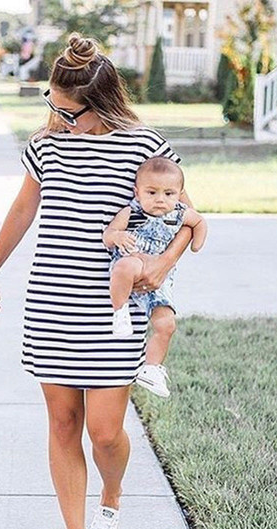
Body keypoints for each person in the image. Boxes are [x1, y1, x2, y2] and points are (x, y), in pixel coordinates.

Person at [0, 33, 197, 529]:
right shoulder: (45, 146)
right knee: (62, 422)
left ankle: (112, 498)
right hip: (52, 303)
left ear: (98, 105)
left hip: (116, 307)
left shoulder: (146, 147)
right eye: (51, 103)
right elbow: (22, 212)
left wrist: (161, 268)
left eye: (65, 108)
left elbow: (188, 216)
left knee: (104, 432)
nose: (55, 114)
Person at [104, 156, 207, 398]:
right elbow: (108, 234)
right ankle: (120, 311)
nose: (160, 199)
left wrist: (197, 244)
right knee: (124, 267)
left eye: (169, 194)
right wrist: (117, 237)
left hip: (160, 277)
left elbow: (200, 221)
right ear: (137, 192)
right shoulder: (131, 211)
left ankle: (151, 369)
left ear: (179, 193)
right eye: (152, 192)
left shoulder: (180, 213)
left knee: (167, 324)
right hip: (136, 263)